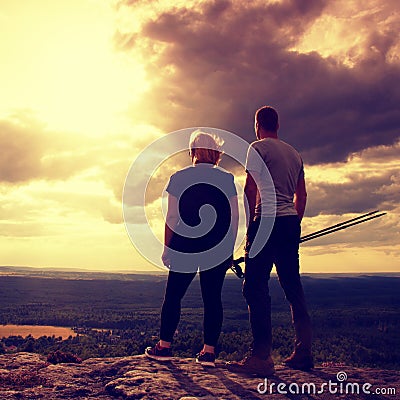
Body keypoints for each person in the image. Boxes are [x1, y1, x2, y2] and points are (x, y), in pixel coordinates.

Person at [227, 106, 313, 376]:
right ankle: (304, 352)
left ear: (257, 125)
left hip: (266, 220)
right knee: (292, 287)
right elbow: (302, 196)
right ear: (278, 125)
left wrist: (253, 225)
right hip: (289, 222)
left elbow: (250, 187)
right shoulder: (295, 153)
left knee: (254, 286)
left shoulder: (257, 148)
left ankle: (262, 356)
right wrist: (294, 222)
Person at [145, 131, 239, 367]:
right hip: (217, 247)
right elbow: (234, 218)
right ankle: (208, 353)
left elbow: (172, 216)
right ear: (215, 153)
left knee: (174, 297)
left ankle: (164, 346)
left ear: (193, 152)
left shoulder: (179, 177)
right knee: (212, 298)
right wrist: (229, 251)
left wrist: (167, 248)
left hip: (184, 246)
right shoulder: (227, 179)